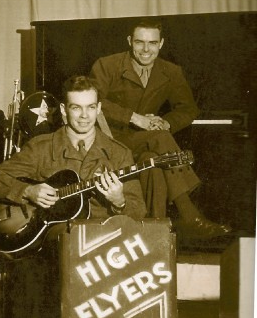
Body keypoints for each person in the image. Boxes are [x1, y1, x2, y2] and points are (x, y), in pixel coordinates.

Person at [89, 19, 230, 239]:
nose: (146, 49)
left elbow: (188, 109)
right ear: (129, 41)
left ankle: (154, 230)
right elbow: (93, 101)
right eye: (139, 42)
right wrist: (135, 118)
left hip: (146, 142)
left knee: (153, 163)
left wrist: (168, 122)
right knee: (161, 138)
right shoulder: (107, 65)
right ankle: (190, 214)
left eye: (152, 43)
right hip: (110, 142)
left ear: (161, 44)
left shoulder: (171, 71)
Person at [0, 75, 145, 223]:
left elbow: (139, 212)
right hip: (53, 241)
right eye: (76, 107)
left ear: (99, 108)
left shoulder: (119, 153)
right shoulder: (41, 148)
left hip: (102, 241)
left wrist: (119, 202)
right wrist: (27, 190)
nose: (84, 115)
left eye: (91, 107)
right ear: (63, 109)